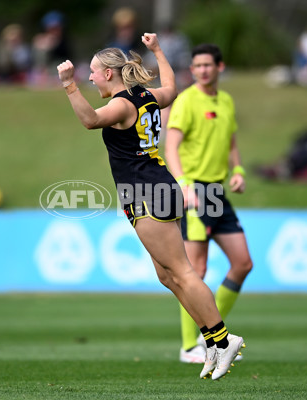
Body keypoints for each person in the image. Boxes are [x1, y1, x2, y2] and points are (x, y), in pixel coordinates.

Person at [56, 33, 245, 380]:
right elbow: (171, 87)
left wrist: (69, 86)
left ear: (109, 74)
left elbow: (89, 120)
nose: (91, 78)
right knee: (167, 276)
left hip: (146, 192)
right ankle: (211, 340)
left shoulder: (122, 104)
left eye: (94, 73)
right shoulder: (147, 96)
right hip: (156, 187)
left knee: (183, 272)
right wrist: (157, 50)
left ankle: (223, 338)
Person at [164, 43, 252, 365]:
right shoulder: (187, 100)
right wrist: (184, 185)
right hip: (197, 191)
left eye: (207, 65)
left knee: (243, 263)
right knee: (195, 269)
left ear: (220, 67)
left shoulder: (225, 101)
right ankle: (190, 346)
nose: (202, 70)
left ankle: (210, 335)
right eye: (197, 65)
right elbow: (170, 146)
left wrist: (238, 169)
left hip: (218, 192)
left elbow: (231, 141)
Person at [31, 10, 70, 86]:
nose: (55, 31)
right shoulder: (40, 39)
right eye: (52, 28)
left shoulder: (64, 41)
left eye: (57, 28)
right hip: (43, 71)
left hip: (58, 70)